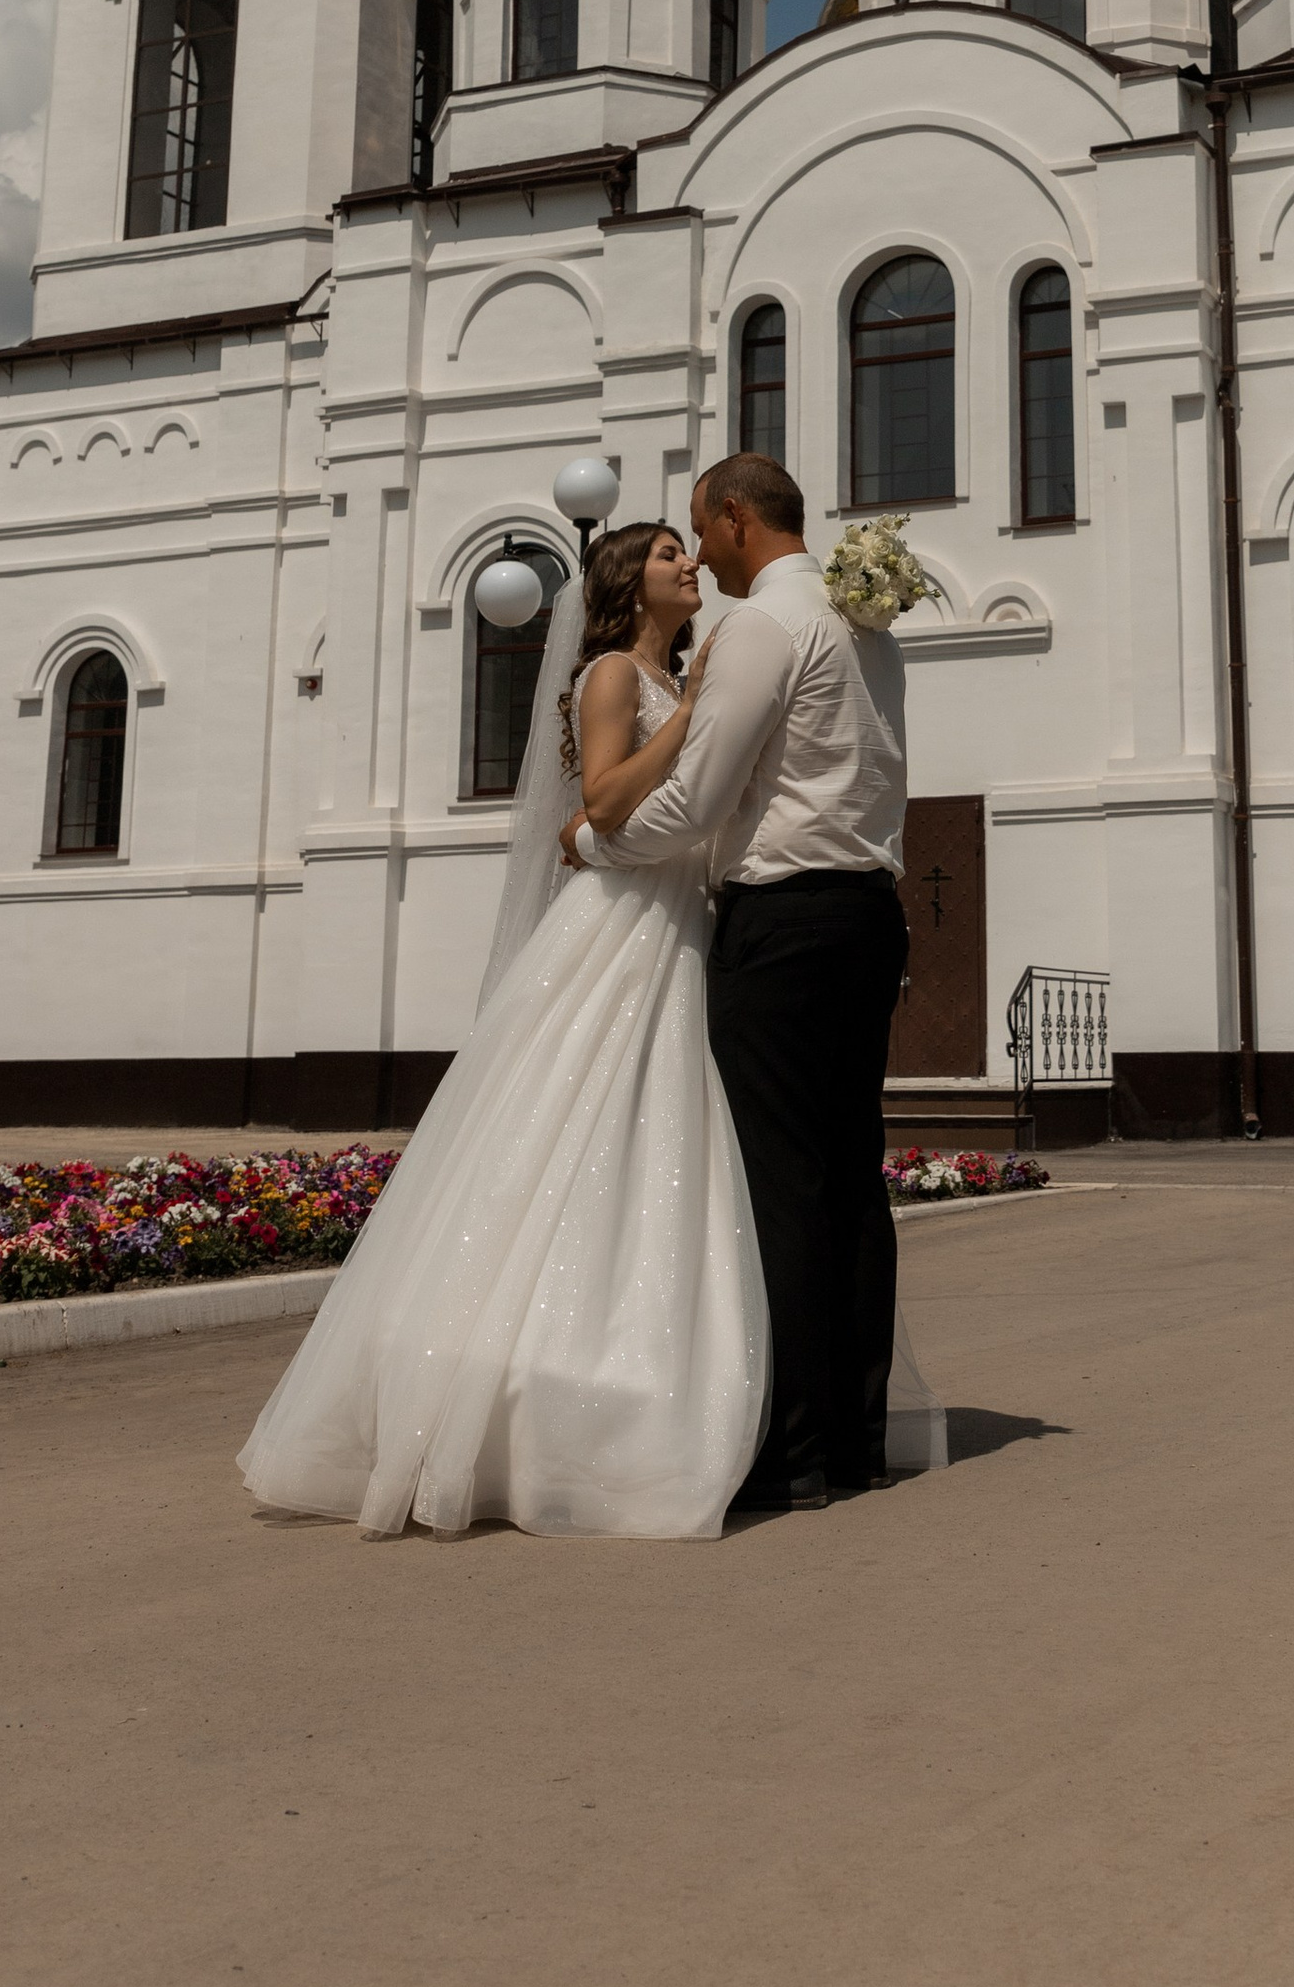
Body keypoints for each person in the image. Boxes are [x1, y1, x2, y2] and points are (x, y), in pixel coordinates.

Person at [237, 522, 767, 1539]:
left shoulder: (678, 672)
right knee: (563, 1121)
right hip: (620, 925)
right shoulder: (613, 672)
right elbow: (605, 801)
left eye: (686, 553)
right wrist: (691, 718)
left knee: (648, 1139)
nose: (688, 565)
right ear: (625, 581)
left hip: (680, 924)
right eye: (666, 555)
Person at [568, 449, 910, 1512]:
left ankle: (799, 1449)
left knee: (786, 1185)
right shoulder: (865, 625)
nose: (697, 553)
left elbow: (700, 799)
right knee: (853, 1179)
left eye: (697, 531)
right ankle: (853, 1434)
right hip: (868, 916)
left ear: (730, 520)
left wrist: (594, 848)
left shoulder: (761, 627)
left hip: (786, 921)